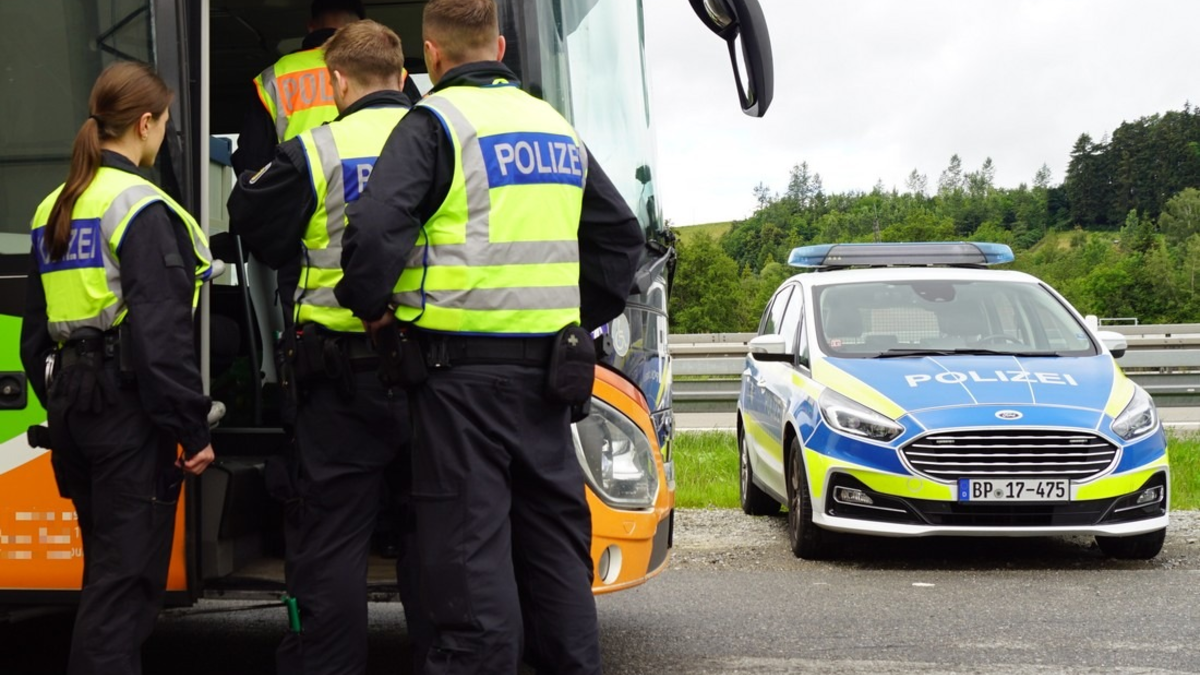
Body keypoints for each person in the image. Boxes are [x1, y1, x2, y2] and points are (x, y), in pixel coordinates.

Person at [335, 1, 645, 673]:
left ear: (432, 56)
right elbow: (622, 238)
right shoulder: (554, 124)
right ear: (500, 45)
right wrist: (566, 313)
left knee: (471, 580)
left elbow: (373, 234)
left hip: (459, 386)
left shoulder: (435, 124)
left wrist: (375, 311)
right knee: (556, 564)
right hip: (550, 382)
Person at [227, 20, 425, 675]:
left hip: (336, 384)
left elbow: (254, 227)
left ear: (337, 82)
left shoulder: (314, 152)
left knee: (331, 550)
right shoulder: (449, 140)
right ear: (403, 78)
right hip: (436, 378)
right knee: (437, 540)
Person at [18, 61, 216, 675]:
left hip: (75, 411)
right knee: (123, 592)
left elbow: (32, 339)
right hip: (128, 416)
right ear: (146, 123)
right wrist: (192, 426)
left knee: (106, 573)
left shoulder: (55, 205)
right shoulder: (138, 205)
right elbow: (160, 334)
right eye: (166, 127)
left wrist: (66, 398)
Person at [231, 0, 366, 176]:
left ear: (311, 26)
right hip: (372, 193)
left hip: (300, 195)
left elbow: (252, 160)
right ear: (361, 28)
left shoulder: (275, 76)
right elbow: (409, 146)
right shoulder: (388, 71)